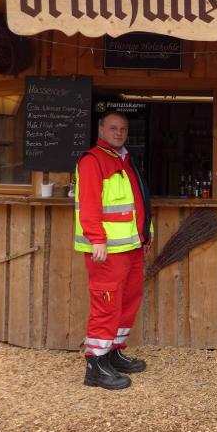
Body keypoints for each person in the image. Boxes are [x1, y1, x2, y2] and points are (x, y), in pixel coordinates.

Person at [75, 110, 152, 390]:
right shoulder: (93, 160)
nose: (119, 133)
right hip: (106, 250)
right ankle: (95, 366)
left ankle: (113, 353)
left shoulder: (124, 160)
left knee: (127, 301)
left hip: (131, 247)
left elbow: (137, 203)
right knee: (106, 305)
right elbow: (89, 203)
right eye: (113, 128)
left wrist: (145, 234)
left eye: (123, 129)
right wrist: (97, 239)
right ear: (101, 130)